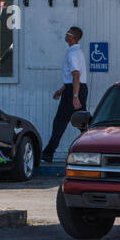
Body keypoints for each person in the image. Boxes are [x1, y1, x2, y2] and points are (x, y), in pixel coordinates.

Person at [42, 25, 88, 163]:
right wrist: (62, 90)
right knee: (82, 123)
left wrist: (74, 96)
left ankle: (48, 153)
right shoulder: (75, 52)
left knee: (60, 122)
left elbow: (75, 75)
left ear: (73, 37)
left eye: (68, 33)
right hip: (74, 88)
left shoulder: (73, 54)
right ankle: (89, 151)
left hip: (74, 91)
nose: (65, 34)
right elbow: (72, 77)